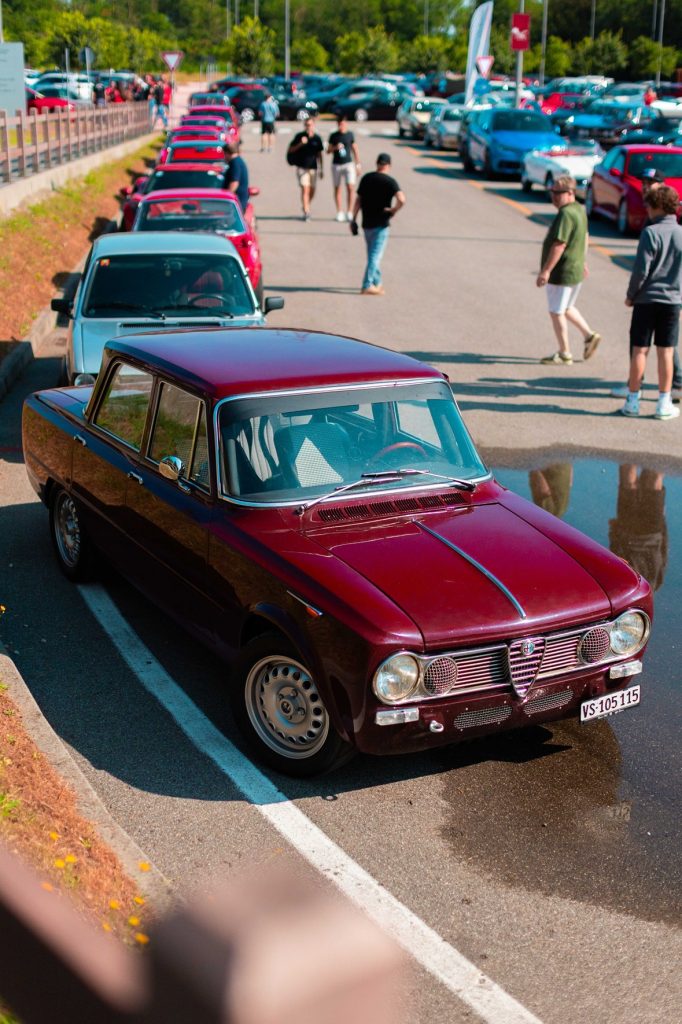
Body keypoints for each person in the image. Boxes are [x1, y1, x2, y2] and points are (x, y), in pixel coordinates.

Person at [611, 170, 682, 401]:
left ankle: (633, 398)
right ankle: (664, 400)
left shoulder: (651, 231)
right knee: (667, 350)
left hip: (646, 299)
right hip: (672, 300)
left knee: (640, 349)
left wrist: (631, 295)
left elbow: (641, 270)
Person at [536, 174, 600, 364]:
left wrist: (546, 271)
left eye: (559, 193)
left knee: (556, 311)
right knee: (566, 307)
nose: (555, 196)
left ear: (571, 193)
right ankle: (589, 335)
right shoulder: (578, 210)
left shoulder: (566, 214)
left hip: (563, 272)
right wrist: (583, 261)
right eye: (553, 192)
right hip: (575, 269)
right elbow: (585, 236)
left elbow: (559, 244)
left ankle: (564, 353)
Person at [351, 153, 405, 296]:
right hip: (381, 224)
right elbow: (402, 199)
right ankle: (367, 285)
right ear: (389, 165)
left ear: (377, 164)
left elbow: (358, 200)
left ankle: (377, 282)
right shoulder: (390, 182)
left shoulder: (367, 178)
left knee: (372, 255)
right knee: (375, 256)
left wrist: (353, 218)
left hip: (366, 223)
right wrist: (394, 210)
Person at [287, 118, 324, 221]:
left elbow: (319, 154)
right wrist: (300, 144)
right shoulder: (299, 136)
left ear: (314, 125)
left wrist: (321, 169)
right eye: (307, 125)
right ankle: (307, 211)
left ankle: (306, 204)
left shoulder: (317, 138)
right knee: (305, 189)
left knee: (312, 190)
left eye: (310, 125)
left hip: (313, 168)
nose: (308, 127)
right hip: (302, 167)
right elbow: (291, 150)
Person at [327, 116, 361, 222]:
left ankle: (349, 212)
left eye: (343, 123)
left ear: (346, 124)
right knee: (337, 188)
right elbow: (328, 151)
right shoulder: (334, 136)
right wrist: (335, 148)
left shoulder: (350, 135)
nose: (341, 126)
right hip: (336, 164)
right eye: (339, 124)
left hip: (348, 164)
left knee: (350, 187)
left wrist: (358, 163)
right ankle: (339, 211)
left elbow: (355, 148)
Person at [224, 143, 249, 212]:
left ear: (227, 153)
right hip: (239, 201)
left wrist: (226, 198)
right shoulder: (238, 161)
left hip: (237, 202)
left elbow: (234, 183)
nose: (224, 157)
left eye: (224, 154)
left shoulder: (235, 163)